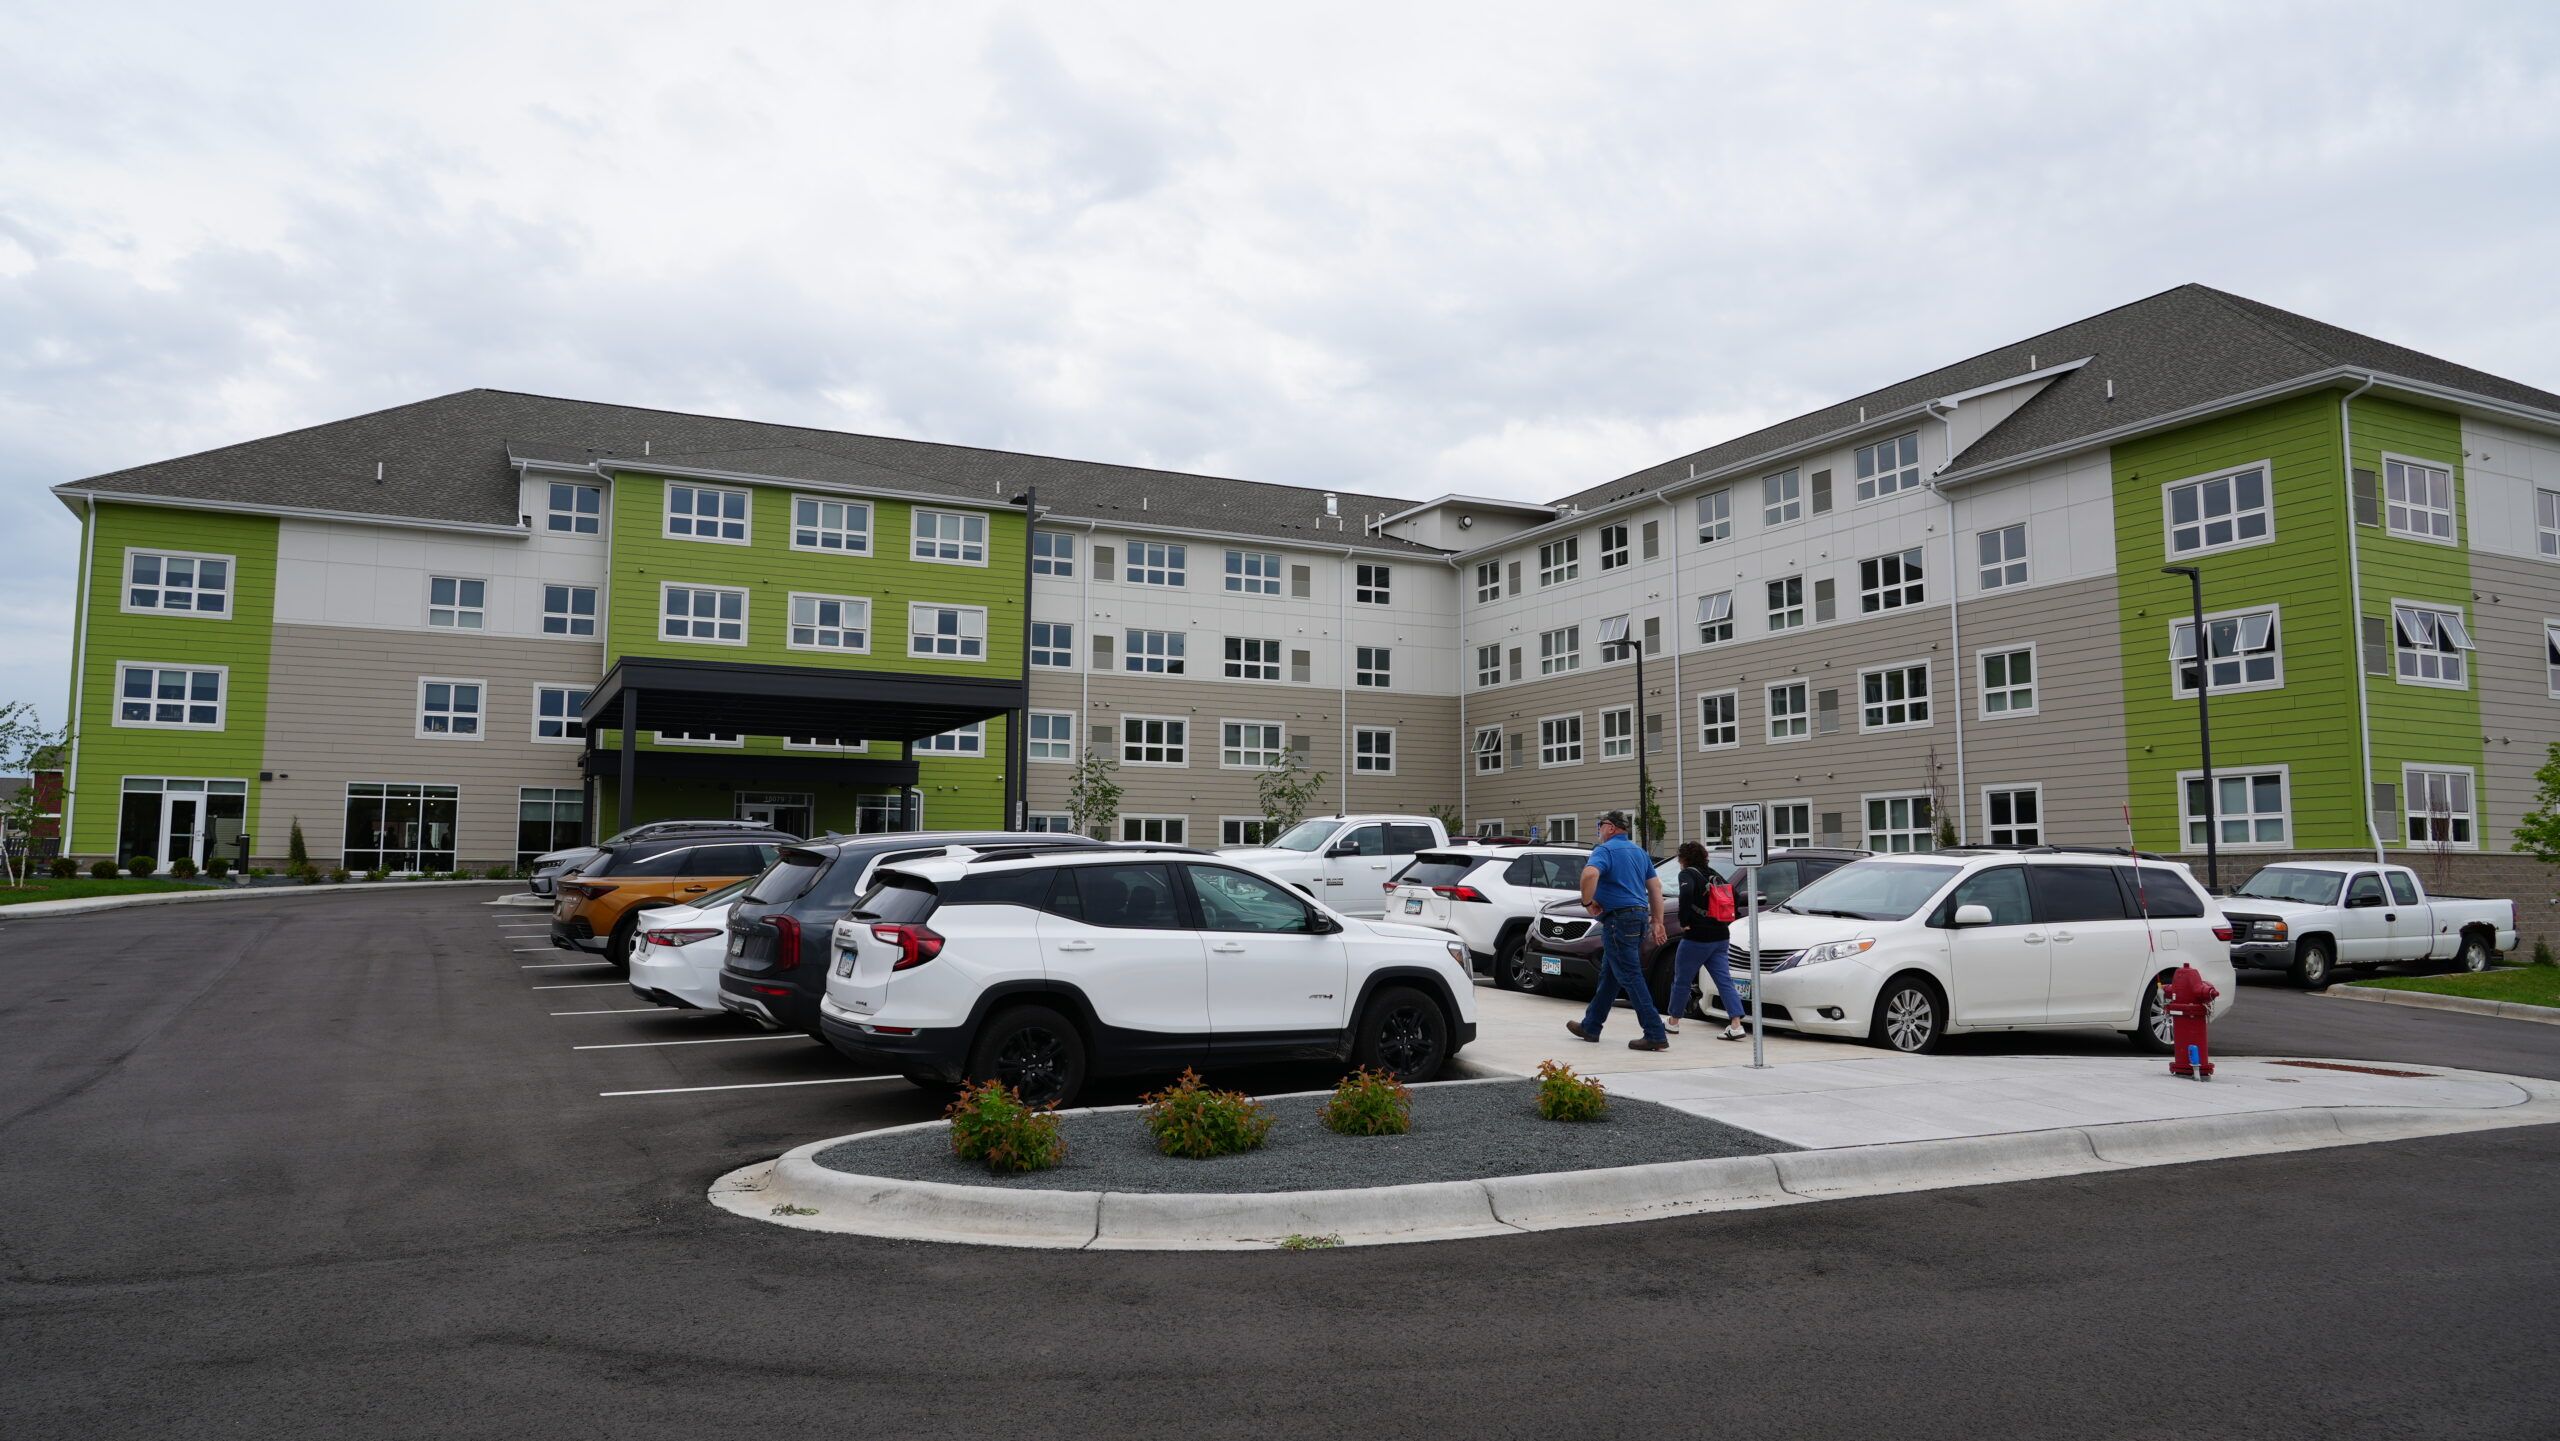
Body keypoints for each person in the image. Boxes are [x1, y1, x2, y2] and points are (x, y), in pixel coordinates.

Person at [1565, 810, 1670, 1051]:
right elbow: (1655, 889)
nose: (1599, 831)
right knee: (1611, 976)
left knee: (1630, 976)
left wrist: (1587, 902)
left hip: (1619, 921)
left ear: (1611, 827)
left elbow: (1590, 874)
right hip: (1638, 917)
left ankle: (1655, 1032)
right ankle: (1591, 1026)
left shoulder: (1605, 850)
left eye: (1600, 825)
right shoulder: (1639, 853)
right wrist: (1658, 921)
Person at [1666, 841, 1748, 1041]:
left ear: (1683, 858)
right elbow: (1735, 896)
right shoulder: (1714, 874)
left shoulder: (1687, 874)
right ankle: (1736, 1024)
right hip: (1720, 937)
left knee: (1682, 980)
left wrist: (1685, 921)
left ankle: (1673, 1022)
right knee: (1724, 980)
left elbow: (1685, 894)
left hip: (1697, 937)